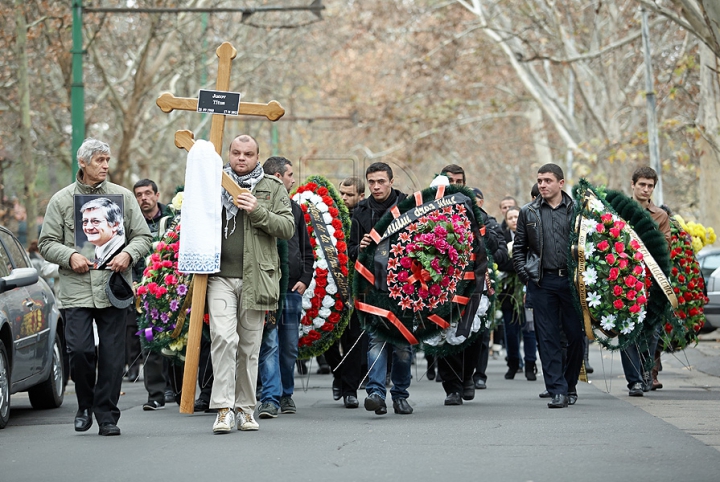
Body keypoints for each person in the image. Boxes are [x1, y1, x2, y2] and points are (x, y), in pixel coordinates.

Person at [38, 138, 152, 436]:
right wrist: (71, 255)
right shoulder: (61, 200)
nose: (105, 166)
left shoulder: (123, 197)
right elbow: (46, 243)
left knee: (114, 358)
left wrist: (128, 254)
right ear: (83, 163)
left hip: (114, 288)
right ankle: (85, 405)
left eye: (107, 160)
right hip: (76, 290)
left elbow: (143, 236)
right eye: (99, 160)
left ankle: (107, 416)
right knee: (79, 351)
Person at [207, 134, 294, 434]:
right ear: (228, 154)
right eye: (236, 153)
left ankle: (245, 409)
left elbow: (287, 228)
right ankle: (222, 409)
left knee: (249, 347)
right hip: (218, 278)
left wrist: (257, 209)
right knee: (223, 339)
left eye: (248, 154)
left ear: (258, 157)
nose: (241, 158)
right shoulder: (212, 183)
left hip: (257, 278)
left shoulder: (272, 187)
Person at [513, 163, 583, 409]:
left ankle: (570, 383)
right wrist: (528, 276)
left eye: (547, 180)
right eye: (539, 180)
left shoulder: (578, 210)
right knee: (548, 337)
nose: (542, 185)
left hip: (573, 283)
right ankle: (557, 390)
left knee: (576, 335)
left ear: (561, 183)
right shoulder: (528, 212)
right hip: (543, 283)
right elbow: (519, 249)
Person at [349, 162, 413, 416]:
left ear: (391, 181)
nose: (376, 186)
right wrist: (361, 247)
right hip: (372, 285)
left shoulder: (409, 207)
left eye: (381, 181)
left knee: (401, 345)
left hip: (404, 286)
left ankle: (400, 395)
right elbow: (350, 251)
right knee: (376, 340)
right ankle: (376, 393)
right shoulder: (360, 212)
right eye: (372, 182)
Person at [434, 166, 500, 406]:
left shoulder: (476, 210)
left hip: (474, 281)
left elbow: (494, 245)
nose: (454, 184)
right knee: (444, 334)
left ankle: (467, 377)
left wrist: (478, 219)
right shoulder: (430, 210)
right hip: (441, 283)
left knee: (472, 332)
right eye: (450, 180)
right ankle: (451, 387)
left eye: (459, 181)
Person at [257, 156, 313, 418]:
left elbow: (306, 249)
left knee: (289, 345)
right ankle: (270, 397)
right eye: (290, 174)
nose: (294, 179)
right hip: (266, 288)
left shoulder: (296, 209)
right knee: (268, 343)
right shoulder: (254, 207)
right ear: (277, 178)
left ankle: (286, 393)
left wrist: (306, 277)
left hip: (292, 289)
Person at [131, 179, 185, 410]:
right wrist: (134, 282)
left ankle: (182, 391)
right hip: (145, 291)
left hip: (174, 288)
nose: (144, 198)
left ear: (157, 194)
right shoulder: (131, 224)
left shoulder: (174, 218)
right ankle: (155, 395)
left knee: (177, 341)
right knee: (150, 342)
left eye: (147, 193)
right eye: (139, 195)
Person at [620, 166, 672, 396]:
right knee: (627, 328)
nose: (645, 189)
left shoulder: (660, 216)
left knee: (651, 330)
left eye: (650, 186)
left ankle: (645, 371)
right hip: (623, 280)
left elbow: (665, 246)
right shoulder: (618, 212)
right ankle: (634, 381)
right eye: (642, 184)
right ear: (633, 185)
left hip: (652, 281)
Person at [325, 176, 367, 408]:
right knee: (328, 337)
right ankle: (338, 374)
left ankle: (350, 390)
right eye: (341, 193)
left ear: (361, 196)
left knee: (353, 339)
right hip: (330, 287)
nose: (343, 198)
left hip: (356, 288)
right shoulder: (330, 217)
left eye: (349, 195)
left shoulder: (365, 216)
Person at [499, 206, 537, 381]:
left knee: (529, 330)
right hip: (508, 293)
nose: (514, 220)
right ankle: (513, 363)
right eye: (510, 218)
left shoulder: (531, 234)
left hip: (527, 289)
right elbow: (500, 262)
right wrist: (517, 265)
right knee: (510, 330)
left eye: (516, 217)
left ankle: (530, 364)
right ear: (506, 221)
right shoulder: (502, 237)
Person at [79, 197, 126, 269]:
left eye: (96, 221)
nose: (88, 227)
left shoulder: (124, 252)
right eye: (85, 222)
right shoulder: (101, 247)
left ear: (115, 225)